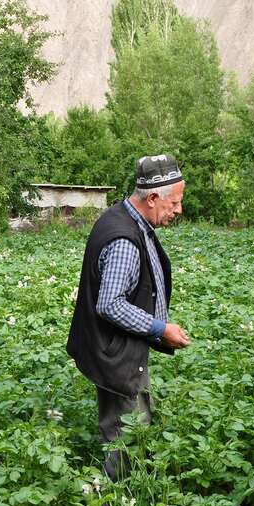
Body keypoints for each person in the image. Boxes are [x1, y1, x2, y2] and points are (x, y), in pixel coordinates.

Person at [67, 154, 191, 481]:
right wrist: (160, 328)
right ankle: (118, 502)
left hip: (119, 349)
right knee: (126, 439)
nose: (178, 210)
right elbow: (110, 305)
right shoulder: (125, 238)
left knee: (136, 428)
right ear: (152, 198)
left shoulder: (126, 218)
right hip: (116, 355)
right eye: (174, 202)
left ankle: (131, 493)